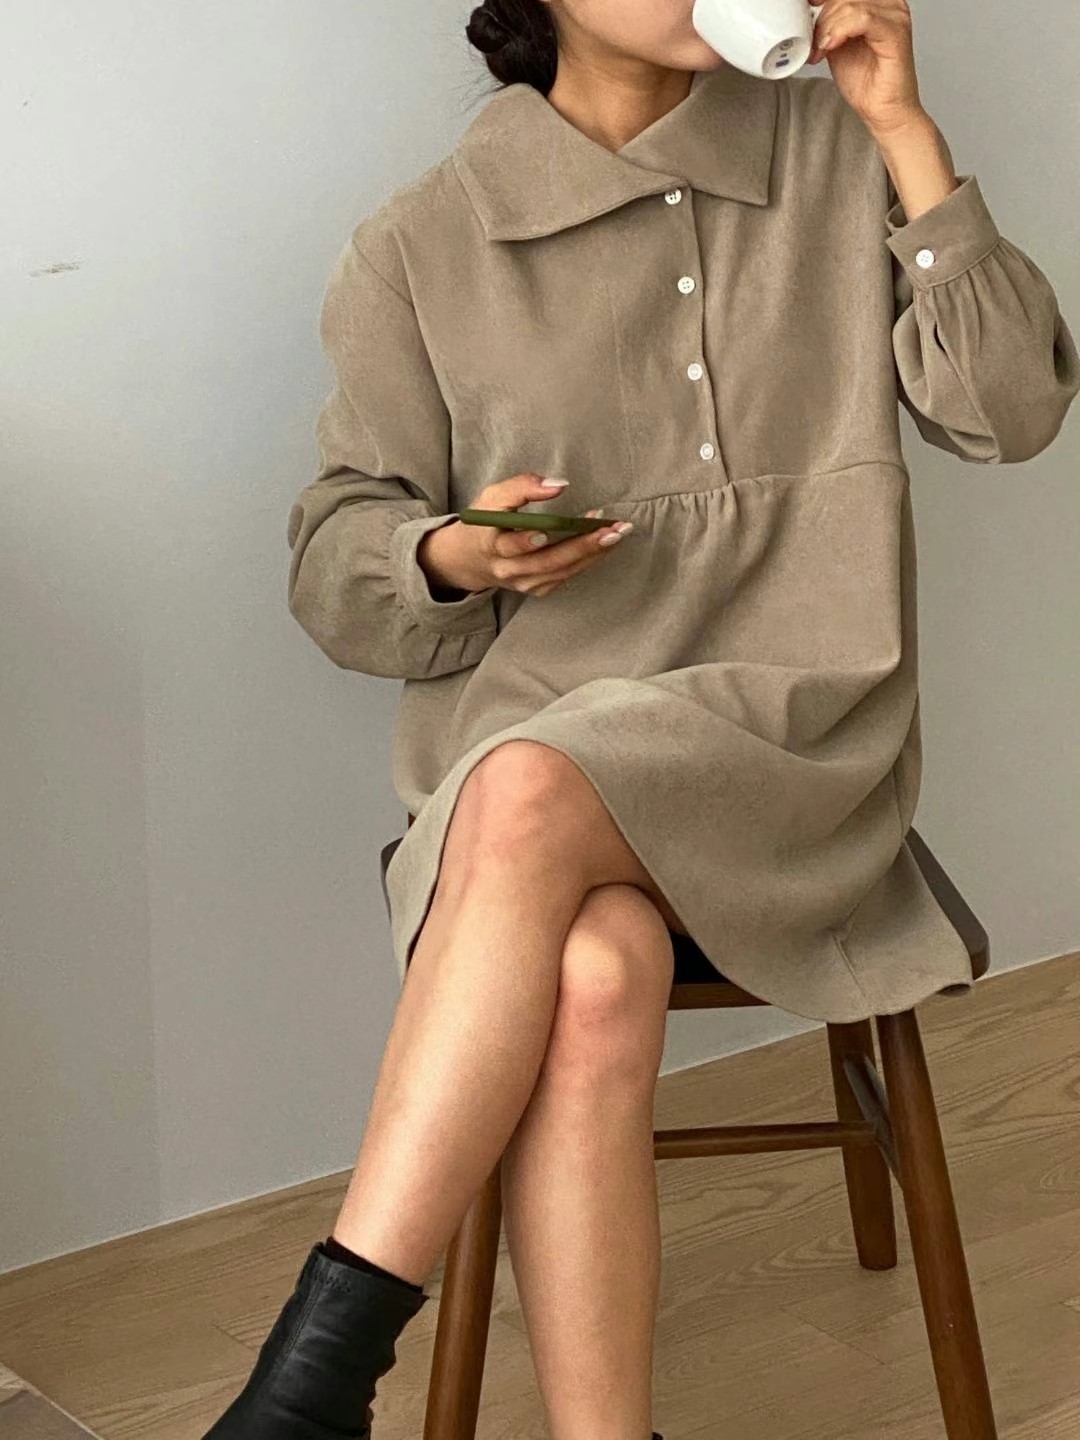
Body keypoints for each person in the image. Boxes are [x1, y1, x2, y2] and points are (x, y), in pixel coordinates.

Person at [202, 0, 1078, 1436]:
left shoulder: (837, 159)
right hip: (533, 779)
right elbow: (334, 566)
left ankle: (312, 1385)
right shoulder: (422, 243)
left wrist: (904, 130)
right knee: (599, 968)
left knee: (527, 790)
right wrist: (452, 554)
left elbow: (1014, 412)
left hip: (798, 757)